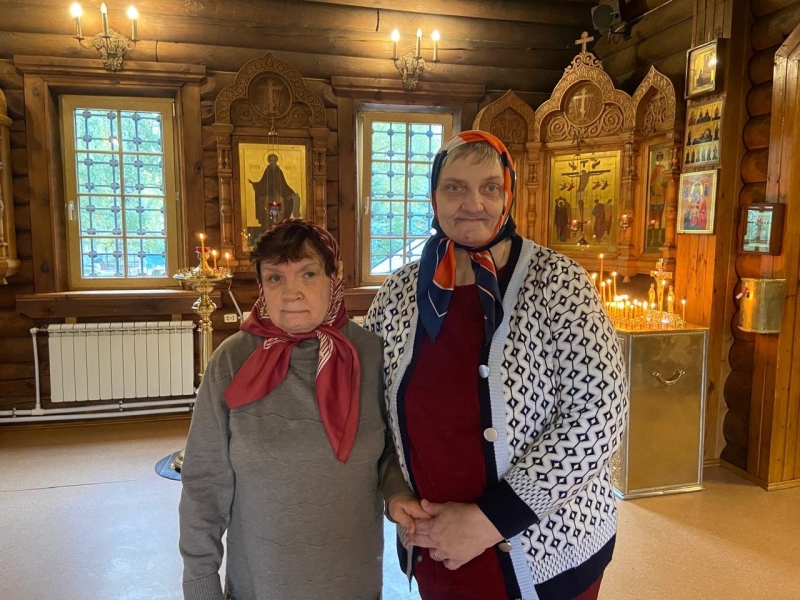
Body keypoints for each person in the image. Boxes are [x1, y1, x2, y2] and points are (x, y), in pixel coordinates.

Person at [365, 131, 628, 600]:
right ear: (434, 196)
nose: (473, 204)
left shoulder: (559, 283)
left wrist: (491, 520)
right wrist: (394, 490)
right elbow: (372, 413)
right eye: (455, 187)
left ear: (508, 195)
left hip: (548, 552)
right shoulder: (399, 292)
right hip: (435, 547)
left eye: (490, 187)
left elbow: (599, 417)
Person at [179, 219, 423, 600]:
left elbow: (390, 452)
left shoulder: (371, 354)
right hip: (262, 584)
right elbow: (203, 485)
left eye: (307, 274)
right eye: (275, 278)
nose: (291, 292)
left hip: (351, 581)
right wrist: (201, 586)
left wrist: (396, 494)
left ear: (333, 277)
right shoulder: (232, 361)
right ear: (261, 285)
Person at [250, 153, 301, 234]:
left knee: (280, 215)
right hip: (268, 197)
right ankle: (268, 229)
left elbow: (283, 184)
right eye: (271, 160)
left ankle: (280, 229)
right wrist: (256, 185)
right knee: (267, 216)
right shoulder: (267, 171)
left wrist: (289, 193)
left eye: (274, 160)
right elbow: (263, 183)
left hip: (279, 196)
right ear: (269, 161)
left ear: (276, 161)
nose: (272, 162)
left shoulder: (278, 171)